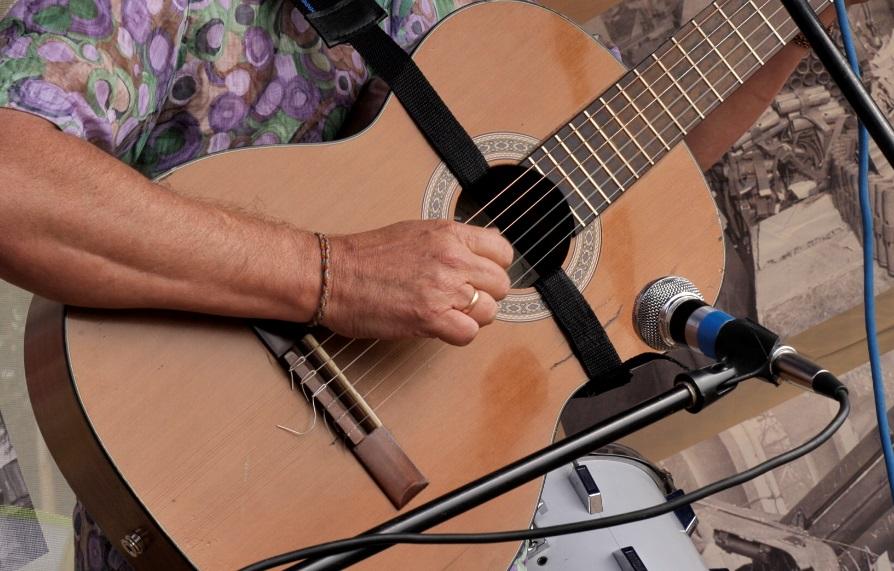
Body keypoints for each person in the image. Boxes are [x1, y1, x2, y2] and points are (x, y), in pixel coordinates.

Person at [0, 0, 836, 567]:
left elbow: (644, 167)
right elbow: (14, 181)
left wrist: (791, 31)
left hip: (417, 505)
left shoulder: (462, 21)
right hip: (203, 464)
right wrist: (331, 274)